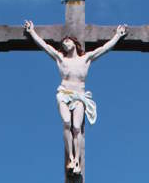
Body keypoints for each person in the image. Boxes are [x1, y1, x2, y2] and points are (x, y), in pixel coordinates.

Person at [23, 20, 127, 174]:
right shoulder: (61, 59)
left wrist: (117, 36)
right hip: (64, 94)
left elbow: (104, 49)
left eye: (68, 40)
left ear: (74, 42)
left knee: (77, 128)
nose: (65, 43)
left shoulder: (86, 59)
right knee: (66, 123)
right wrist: (32, 32)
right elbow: (45, 47)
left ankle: (77, 161)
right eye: (63, 42)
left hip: (79, 96)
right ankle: (70, 158)